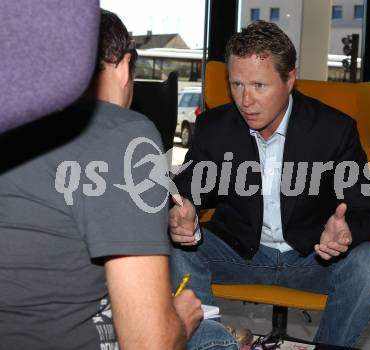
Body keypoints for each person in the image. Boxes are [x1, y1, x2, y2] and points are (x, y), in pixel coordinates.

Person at [0, 10, 237, 350]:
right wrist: (181, 318)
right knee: (215, 337)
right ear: (125, 66)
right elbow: (149, 344)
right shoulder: (126, 134)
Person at [169, 20, 370, 348]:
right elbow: (187, 188)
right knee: (169, 244)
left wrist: (346, 232)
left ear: (290, 79)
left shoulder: (334, 129)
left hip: (312, 257)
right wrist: (183, 210)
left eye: (259, 86)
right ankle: (213, 342)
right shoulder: (215, 128)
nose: (245, 100)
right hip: (240, 253)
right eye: (237, 85)